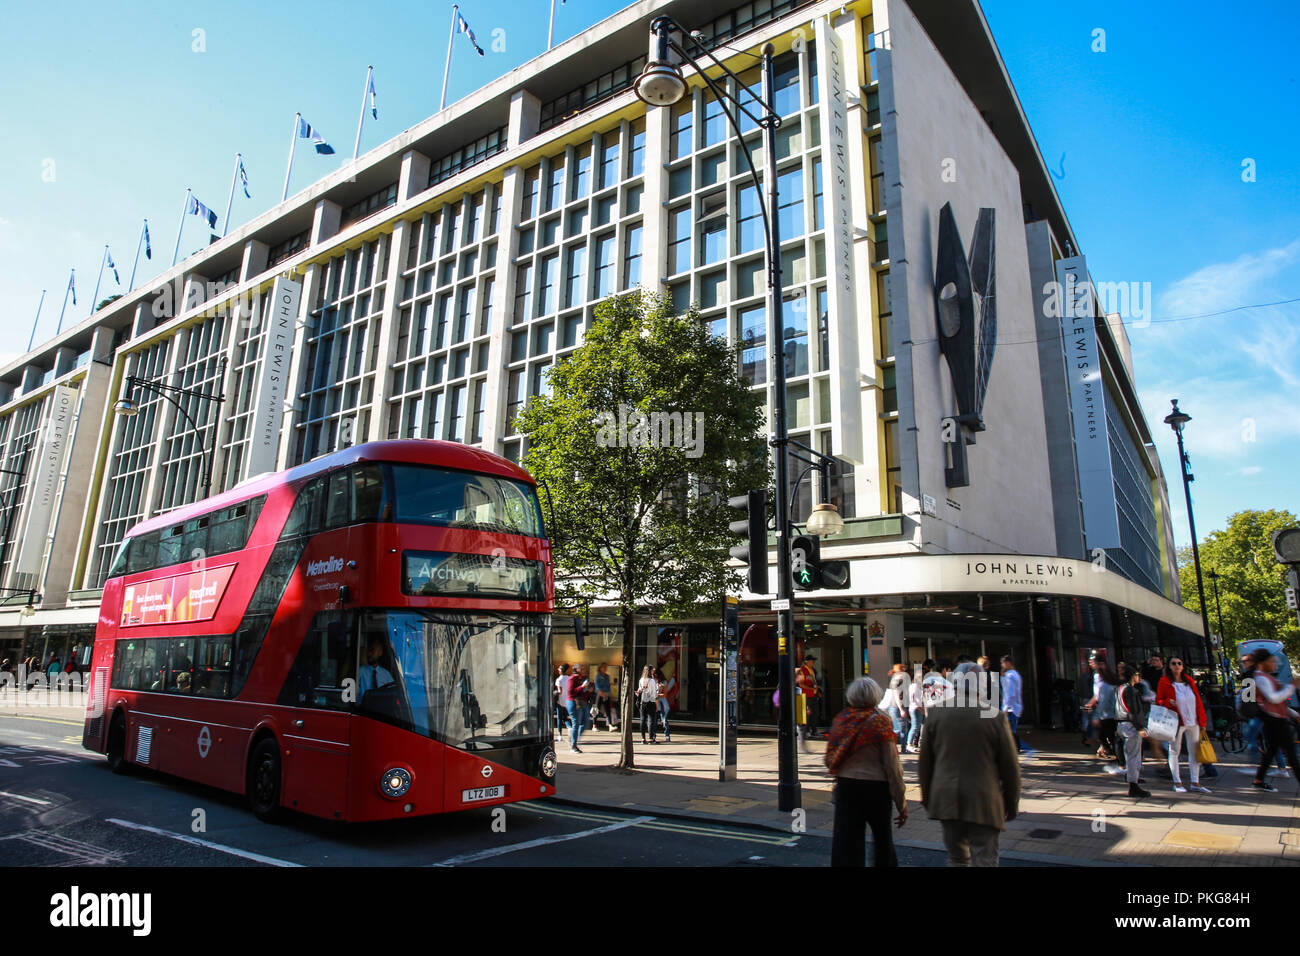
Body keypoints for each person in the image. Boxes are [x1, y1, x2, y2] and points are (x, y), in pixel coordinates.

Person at [917, 662, 1021, 867]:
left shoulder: (936, 714)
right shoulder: (994, 717)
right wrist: (1011, 803)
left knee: (957, 858)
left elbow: (925, 764)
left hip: (946, 799)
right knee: (984, 859)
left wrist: (928, 798)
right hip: (984, 799)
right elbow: (1010, 769)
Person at [825, 677, 906, 866]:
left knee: (846, 844)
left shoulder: (841, 720)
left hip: (846, 786)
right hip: (876, 788)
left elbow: (830, 756)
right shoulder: (880, 722)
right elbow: (892, 766)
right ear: (875, 696)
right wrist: (901, 803)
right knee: (883, 840)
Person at [1156, 656, 1210, 794]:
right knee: (1174, 750)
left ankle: (1195, 781)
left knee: (1194, 752)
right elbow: (1159, 700)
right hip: (1176, 720)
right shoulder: (1165, 681)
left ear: (1183, 666)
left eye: (1179, 663)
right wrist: (1168, 702)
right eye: (1173, 663)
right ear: (1169, 666)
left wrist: (1202, 721)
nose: (1177, 666)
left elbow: (1198, 701)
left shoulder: (1189, 681)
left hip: (1193, 720)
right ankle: (1177, 781)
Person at [1249, 648, 1300, 792]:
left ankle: (1259, 780)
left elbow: (1277, 702)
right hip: (1274, 720)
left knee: (1272, 750)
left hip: (1275, 719)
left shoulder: (1266, 676)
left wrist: (1293, 714)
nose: (1274, 664)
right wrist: (1291, 687)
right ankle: (1259, 780)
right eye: (1271, 661)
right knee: (1291, 753)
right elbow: (1274, 698)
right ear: (1263, 662)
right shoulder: (1261, 678)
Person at [1115, 662, 1152, 798]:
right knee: (1134, 755)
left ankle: (1132, 779)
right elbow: (1134, 710)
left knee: (1129, 754)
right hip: (1131, 725)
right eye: (1136, 675)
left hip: (1121, 724)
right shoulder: (1131, 690)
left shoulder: (1119, 689)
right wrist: (1140, 727)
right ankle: (1133, 783)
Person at [1000, 655, 1026, 754]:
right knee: (1012, 729)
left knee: (1010, 730)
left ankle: (1014, 749)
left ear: (1008, 663)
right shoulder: (1015, 674)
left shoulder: (1010, 676)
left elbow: (1009, 693)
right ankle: (1015, 748)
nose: (1002, 665)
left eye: (1003, 663)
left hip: (1011, 707)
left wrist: (1005, 708)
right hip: (1015, 706)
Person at [357, 637, 394, 703]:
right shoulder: (360, 671)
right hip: (362, 710)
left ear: (380, 653)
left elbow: (392, 692)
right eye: (369, 651)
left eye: (372, 650)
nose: (369, 654)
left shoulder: (386, 674)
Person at [796, 654, 821, 750]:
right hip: (805, 695)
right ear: (807, 661)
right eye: (812, 660)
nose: (814, 662)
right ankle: (806, 732)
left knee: (814, 713)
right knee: (806, 715)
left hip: (812, 695)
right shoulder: (802, 670)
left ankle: (813, 731)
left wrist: (816, 691)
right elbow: (801, 684)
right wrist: (812, 689)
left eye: (814, 660)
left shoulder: (812, 670)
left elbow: (813, 682)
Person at [566, 665, 593, 753]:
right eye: (580, 668)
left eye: (582, 668)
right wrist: (582, 687)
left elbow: (584, 693)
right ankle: (573, 746)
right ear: (576, 670)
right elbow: (571, 692)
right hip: (573, 702)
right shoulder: (572, 678)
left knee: (585, 722)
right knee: (576, 723)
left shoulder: (583, 678)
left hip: (582, 702)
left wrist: (588, 690)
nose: (582, 670)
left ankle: (574, 738)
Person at [906, 661, 929, 753]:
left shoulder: (921, 686)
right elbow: (913, 699)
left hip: (921, 708)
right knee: (915, 726)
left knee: (923, 726)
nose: (922, 677)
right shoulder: (914, 686)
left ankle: (921, 744)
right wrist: (921, 709)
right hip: (916, 709)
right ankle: (909, 744)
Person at [636, 666, 660, 744]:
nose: (653, 671)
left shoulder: (641, 680)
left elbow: (639, 690)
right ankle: (651, 738)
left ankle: (643, 738)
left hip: (643, 702)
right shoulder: (652, 681)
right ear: (650, 671)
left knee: (642, 719)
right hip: (651, 702)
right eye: (652, 670)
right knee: (651, 720)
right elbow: (654, 693)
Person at [594, 663, 616, 731]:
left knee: (608, 710)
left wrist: (609, 695)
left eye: (606, 667)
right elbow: (597, 687)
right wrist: (601, 693)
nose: (605, 669)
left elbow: (608, 686)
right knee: (596, 710)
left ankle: (610, 725)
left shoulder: (607, 676)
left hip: (606, 694)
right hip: (599, 694)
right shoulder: (597, 676)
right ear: (600, 668)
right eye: (604, 667)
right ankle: (594, 725)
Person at [657, 668, 674, 742]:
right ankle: (655, 735)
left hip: (661, 703)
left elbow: (665, 694)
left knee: (664, 720)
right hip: (657, 703)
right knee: (660, 720)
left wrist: (656, 694)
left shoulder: (664, 682)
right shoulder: (654, 681)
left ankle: (667, 735)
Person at [554, 664, 571, 733]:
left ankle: (559, 734)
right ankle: (569, 727)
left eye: (559, 669)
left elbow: (559, 691)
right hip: (567, 701)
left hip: (560, 701)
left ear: (561, 671)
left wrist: (554, 692)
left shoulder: (559, 679)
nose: (558, 670)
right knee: (565, 717)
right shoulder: (569, 678)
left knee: (559, 718)